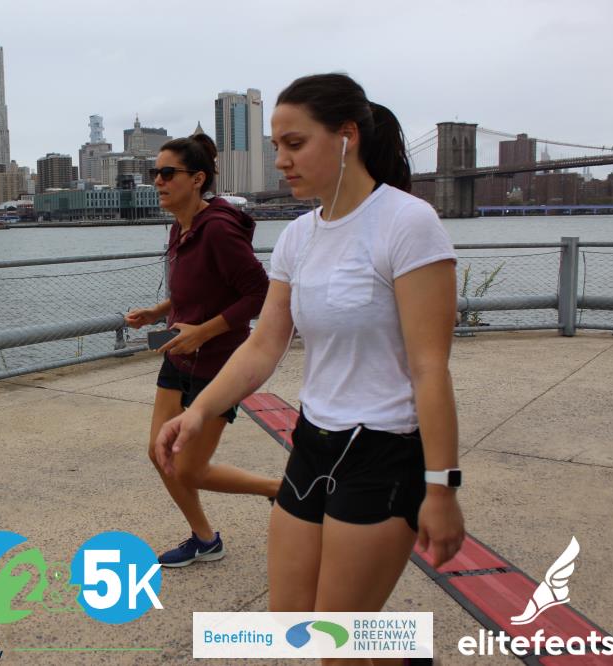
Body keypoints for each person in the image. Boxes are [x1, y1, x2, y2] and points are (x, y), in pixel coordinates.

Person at [154, 73, 465, 660]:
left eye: (295, 144)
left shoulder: (407, 222)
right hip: (313, 442)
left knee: (335, 646)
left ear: (347, 136)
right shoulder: (299, 236)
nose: (281, 161)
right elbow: (263, 345)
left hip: (384, 450)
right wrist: (198, 413)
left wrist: (441, 487)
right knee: (293, 624)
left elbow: (431, 368)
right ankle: (406, 651)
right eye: (276, 146)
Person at [125, 133, 279, 568]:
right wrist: (159, 311)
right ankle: (205, 539)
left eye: (167, 173)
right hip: (179, 356)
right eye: (155, 173)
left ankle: (280, 490)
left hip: (218, 364)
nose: (158, 181)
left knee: (189, 468)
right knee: (159, 452)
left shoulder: (219, 230)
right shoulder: (181, 226)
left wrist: (203, 333)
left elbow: (260, 294)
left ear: (197, 179)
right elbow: (198, 289)